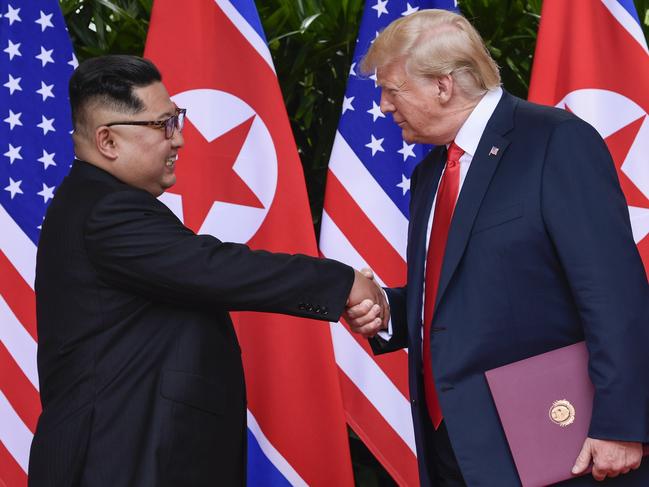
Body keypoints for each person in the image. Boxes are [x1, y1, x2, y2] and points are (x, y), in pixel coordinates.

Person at [28, 55, 386, 487]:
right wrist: (343, 282)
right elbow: (214, 269)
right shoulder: (106, 209)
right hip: (118, 461)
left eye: (177, 119)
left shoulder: (96, 202)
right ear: (107, 141)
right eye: (163, 124)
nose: (178, 139)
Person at [345, 9, 649, 486]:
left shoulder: (555, 141)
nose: (383, 105)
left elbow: (613, 292)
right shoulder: (430, 174)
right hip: (454, 445)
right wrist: (387, 308)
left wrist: (621, 424)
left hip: (557, 444)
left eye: (392, 90)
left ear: (443, 85)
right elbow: (462, 294)